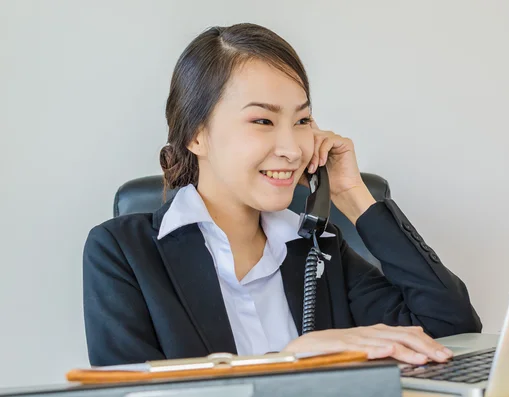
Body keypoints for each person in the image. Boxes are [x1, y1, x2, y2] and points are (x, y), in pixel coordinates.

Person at [83, 22, 481, 368]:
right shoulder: (123, 252)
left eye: (303, 120)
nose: (293, 148)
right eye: (262, 120)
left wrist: (350, 193)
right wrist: (291, 361)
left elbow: (451, 329)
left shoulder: (319, 250)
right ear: (195, 134)